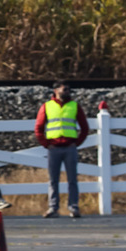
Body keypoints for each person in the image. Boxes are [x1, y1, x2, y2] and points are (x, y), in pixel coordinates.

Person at [35, 81, 89, 218]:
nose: (67, 92)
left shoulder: (74, 106)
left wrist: (76, 143)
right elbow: (39, 128)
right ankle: (53, 208)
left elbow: (84, 127)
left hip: (69, 147)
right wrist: (46, 144)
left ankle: (73, 207)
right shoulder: (47, 106)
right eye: (64, 89)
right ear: (56, 90)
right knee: (53, 179)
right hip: (54, 148)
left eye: (68, 89)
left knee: (72, 179)